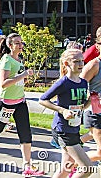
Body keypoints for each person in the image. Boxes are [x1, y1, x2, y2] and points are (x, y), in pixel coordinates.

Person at [0, 33, 44, 176]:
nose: (21, 45)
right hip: (5, 102)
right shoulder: (6, 60)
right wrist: (23, 75)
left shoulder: (19, 59)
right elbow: (4, 83)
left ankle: (27, 166)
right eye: (17, 43)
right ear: (10, 45)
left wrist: (24, 80)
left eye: (21, 42)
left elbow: (17, 80)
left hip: (20, 101)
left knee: (25, 133)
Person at [40, 49, 93, 178]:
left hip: (74, 128)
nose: (81, 64)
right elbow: (43, 100)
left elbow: (82, 106)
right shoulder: (63, 83)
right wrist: (62, 110)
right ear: (66, 63)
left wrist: (91, 100)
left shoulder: (83, 82)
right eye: (76, 61)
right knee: (87, 168)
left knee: (66, 168)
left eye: (82, 61)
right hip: (62, 129)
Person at [81, 35, 101, 162]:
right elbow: (78, 85)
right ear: (98, 46)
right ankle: (71, 163)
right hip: (95, 112)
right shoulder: (94, 65)